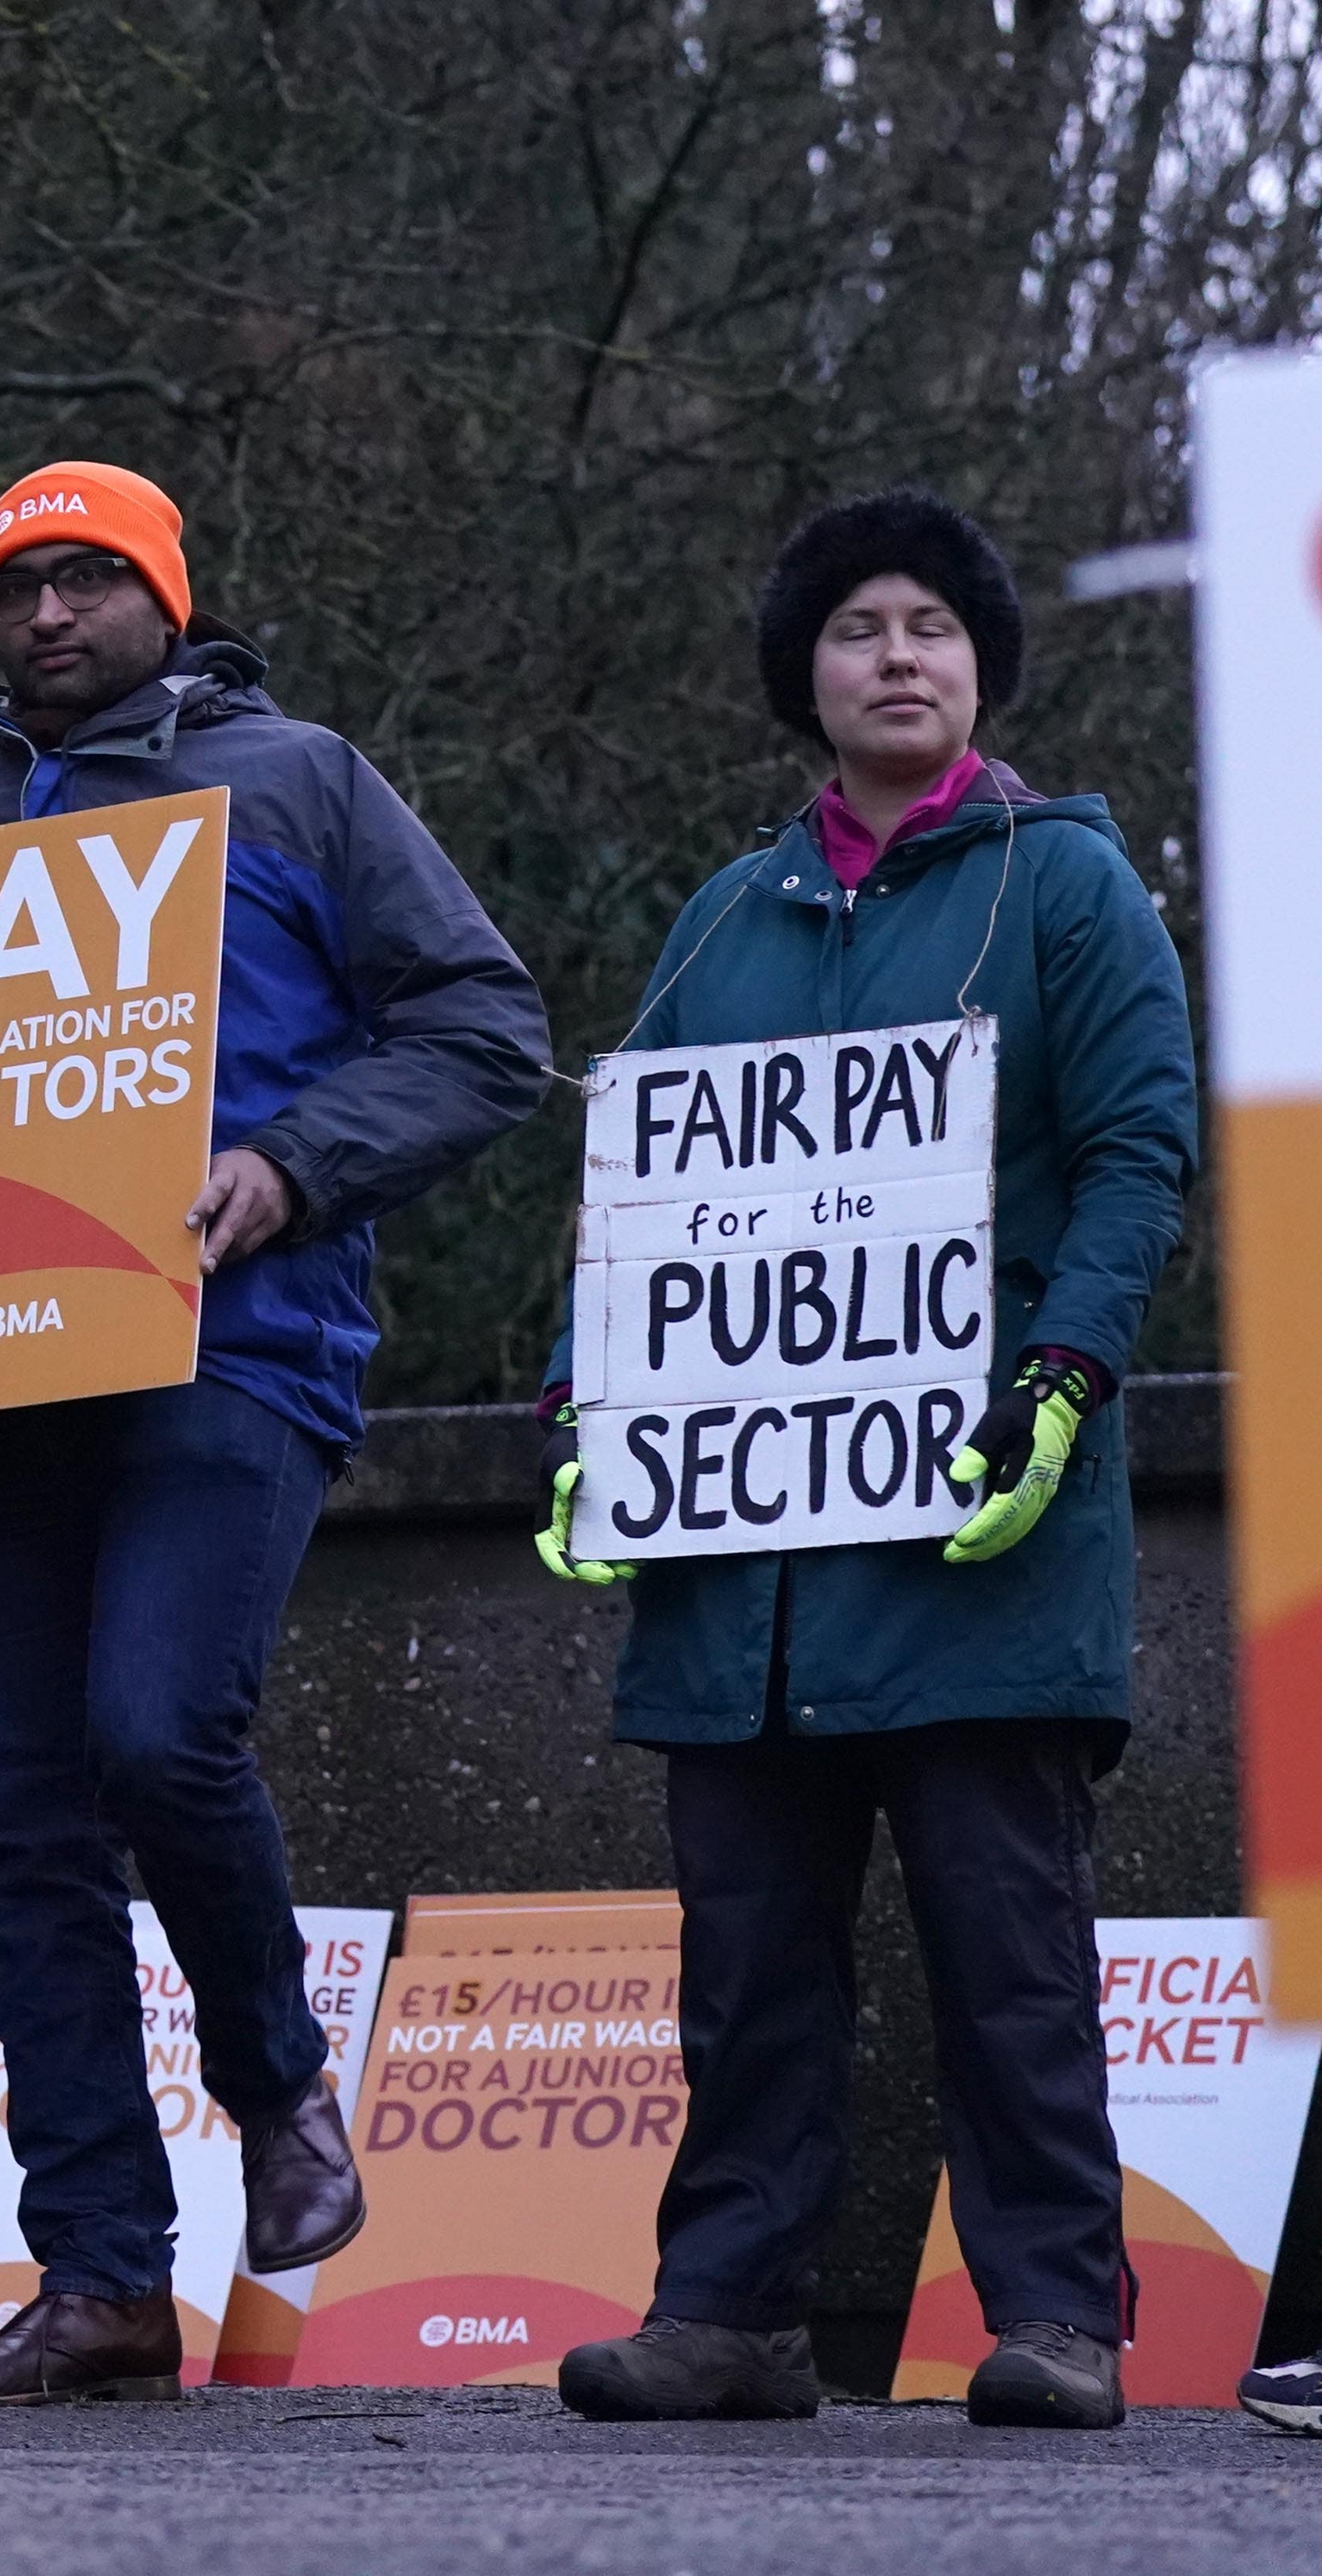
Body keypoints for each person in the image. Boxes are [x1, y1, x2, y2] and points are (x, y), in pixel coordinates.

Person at [0, 462, 552, 2406]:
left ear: (166, 595)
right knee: (31, 1826)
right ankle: (102, 2281)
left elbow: (486, 1026)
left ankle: (279, 2081)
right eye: (17, 587)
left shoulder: (299, 781)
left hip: (237, 1347)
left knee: (159, 1732)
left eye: (88, 580)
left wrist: (292, 1168)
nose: (50, 613)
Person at [539, 490, 1196, 2432]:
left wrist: (1061, 1374)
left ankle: (1059, 2315)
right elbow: (635, 1196)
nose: (897, 652)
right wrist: (592, 1413)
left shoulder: (1069, 886)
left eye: (931, 624)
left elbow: (1141, 1155)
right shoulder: (719, 921)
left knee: (1009, 1947)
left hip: (977, 1519)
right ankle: (728, 2311)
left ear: (980, 663)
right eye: (856, 628)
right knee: (747, 1956)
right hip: (738, 1562)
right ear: (802, 680)